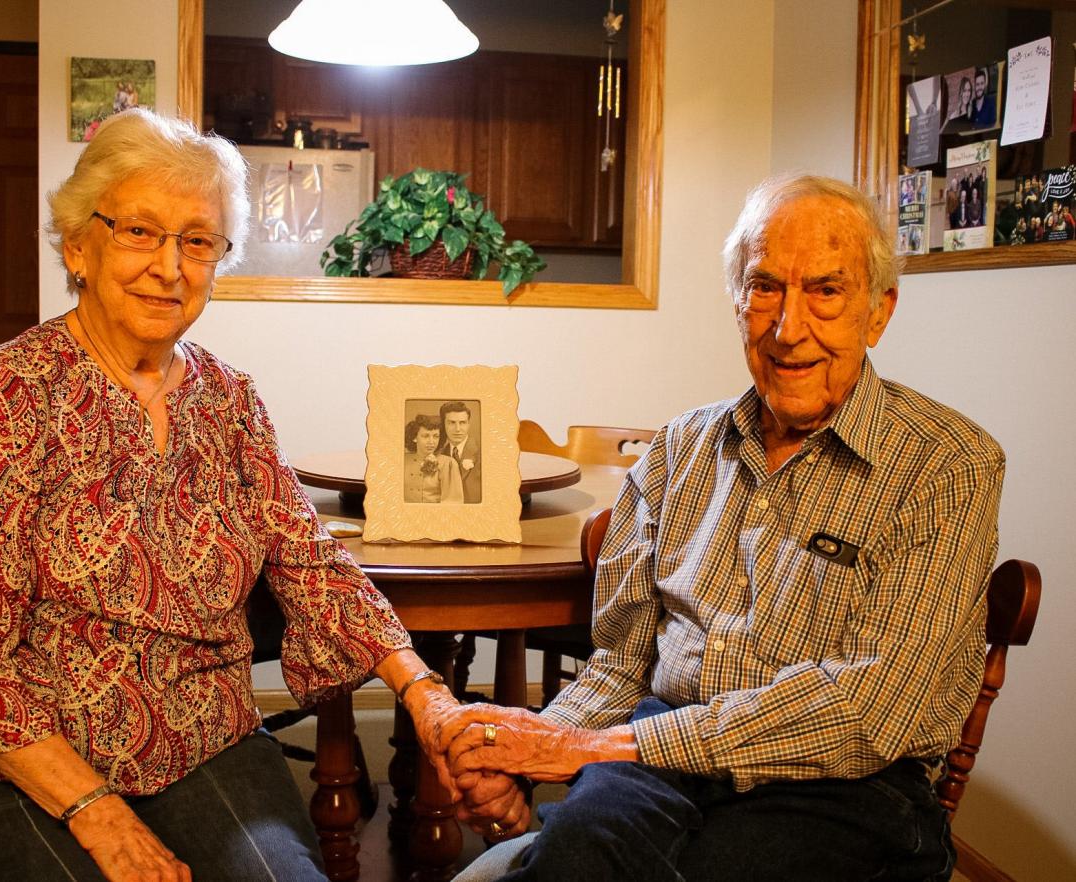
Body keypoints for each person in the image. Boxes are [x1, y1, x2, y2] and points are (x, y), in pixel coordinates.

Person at [0, 108, 465, 882]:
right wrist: (97, 811)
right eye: (140, 232)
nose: (170, 267)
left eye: (197, 240)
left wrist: (426, 696)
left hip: (200, 743)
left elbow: (311, 563)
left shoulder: (231, 400)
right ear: (80, 246)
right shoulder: (5, 393)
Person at [439, 174, 1004, 882]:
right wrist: (527, 754)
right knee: (576, 855)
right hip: (656, 754)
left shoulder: (946, 465)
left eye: (825, 291)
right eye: (764, 286)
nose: (787, 328)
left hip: (847, 783)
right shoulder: (679, 451)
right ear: (737, 300)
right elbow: (619, 665)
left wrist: (593, 752)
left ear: (878, 311)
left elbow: (869, 712)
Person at [404, 414, 464, 503]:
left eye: (436, 436)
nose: (431, 442)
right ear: (414, 438)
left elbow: (452, 503)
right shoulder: (403, 461)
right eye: (425, 436)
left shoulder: (448, 464)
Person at [440, 400, 481, 503]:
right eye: (452, 423)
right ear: (443, 425)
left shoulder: (482, 452)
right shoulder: (440, 454)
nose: (458, 429)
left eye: (462, 423)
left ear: (468, 424)